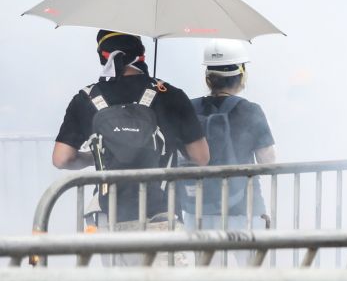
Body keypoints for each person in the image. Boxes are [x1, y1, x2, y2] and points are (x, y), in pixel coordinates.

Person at [53, 30, 209, 230]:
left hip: (107, 214)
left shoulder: (85, 98)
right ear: (140, 53)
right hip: (161, 214)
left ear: (103, 56)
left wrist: (96, 156)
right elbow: (202, 157)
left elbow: (61, 159)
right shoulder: (170, 94)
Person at [181, 39, 277, 229]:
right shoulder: (250, 110)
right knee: (251, 260)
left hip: (197, 209)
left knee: (204, 260)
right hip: (244, 210)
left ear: (208, 78)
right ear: (241, 76)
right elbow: (268, 162)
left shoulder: (190, 108)